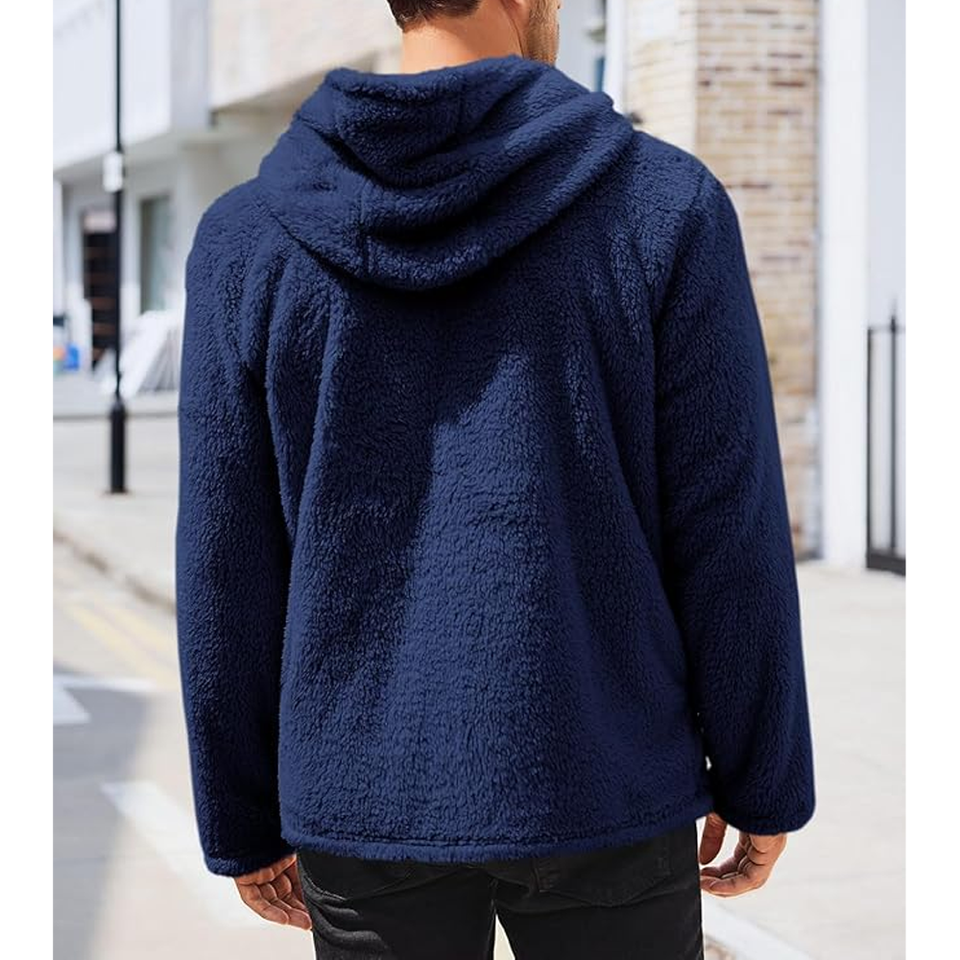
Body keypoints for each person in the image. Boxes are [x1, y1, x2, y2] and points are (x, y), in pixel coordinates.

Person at [174, 1, 817, 957]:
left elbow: (224, 557)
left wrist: (239, 812)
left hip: (362, 790)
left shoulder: (246, 239)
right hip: (606, 774)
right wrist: (764, 774)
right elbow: (729, 525)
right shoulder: (665, 206)